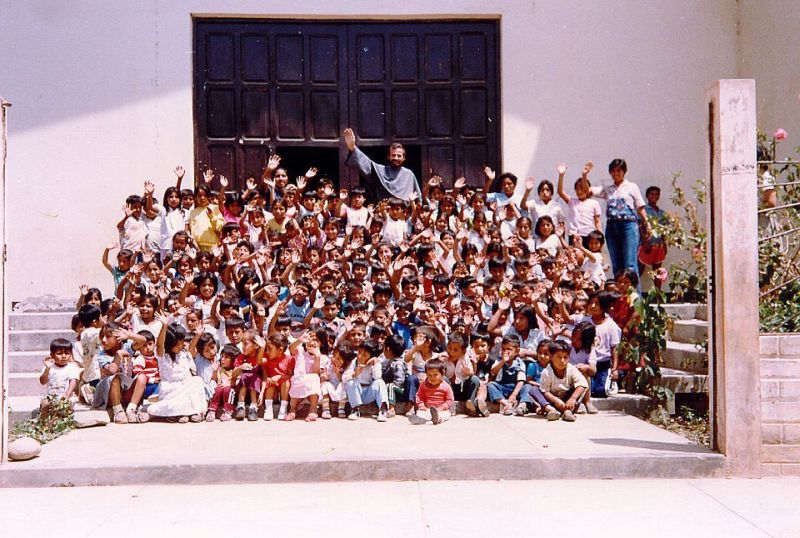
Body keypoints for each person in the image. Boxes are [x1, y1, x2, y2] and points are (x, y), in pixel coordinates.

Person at [588, 159, 650, 277]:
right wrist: (585, 174)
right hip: (612, 226)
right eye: (613, 171)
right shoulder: (607, 189)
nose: (616, 173)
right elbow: (588, 191)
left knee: (630, 264)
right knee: (617, 264)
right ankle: (619, 295)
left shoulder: (632, 187)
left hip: (628, 225)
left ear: (624, 171)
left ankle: (634, 295)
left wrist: (648, 224)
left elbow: (640, 207)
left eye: (619, 170)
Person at [147, 318, 208, 422]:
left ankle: (196, 413)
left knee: (197, 381)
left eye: (182, 343)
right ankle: (180, 413)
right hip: (170, 391)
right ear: (170, 344)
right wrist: (164, 326)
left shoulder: (184, 354)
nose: (181, 346)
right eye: (177, 344)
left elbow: (191, 348)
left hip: (185, 387)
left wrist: (198, 335)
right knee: (173, 404)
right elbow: (160, 345)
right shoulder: (163, 357)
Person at [343, 127, 421, 204]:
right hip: (384, 212)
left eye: (399, 156)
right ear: (388, 157)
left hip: (405, 214)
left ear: (404, 158)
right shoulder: (381, 170)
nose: (396, 158)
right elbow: (366, 163)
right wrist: (352, 147)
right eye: (393, 155)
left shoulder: (409, 175)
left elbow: (418, 199)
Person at [540, 340, 589, 422]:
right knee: (534, 390)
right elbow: (545, 391)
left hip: (568, 401)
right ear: (551, 357)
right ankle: (552, 410)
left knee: (581, 387)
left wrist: (573, 398)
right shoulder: (546, 372)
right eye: (558, 357)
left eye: (565, 357)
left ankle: (568, 412)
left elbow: (582, 384)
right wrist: (556, 400)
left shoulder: (571, 369)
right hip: (553, 401)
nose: (562, 361)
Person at [409, 358, 454, 425]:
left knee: (446, 415)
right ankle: (420, 419)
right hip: (426, 409)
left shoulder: (446, 386)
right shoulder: (423, 385)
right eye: (429, 375)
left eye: (435, 375)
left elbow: (449, 400)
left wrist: (442, 407)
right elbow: (419, 396)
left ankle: (438, 418)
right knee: (420, 413)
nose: (432, 378)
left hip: (441, 410)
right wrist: (422, 406)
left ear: (442, 374)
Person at [39, 338, 80, 405]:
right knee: (44, 404)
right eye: (59, 353)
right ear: (52, 355)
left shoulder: (72, 367)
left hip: (67, 397)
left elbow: (73, 382)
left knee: (66, 407)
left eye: (67, 353)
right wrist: (47, 369)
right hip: (51, 398)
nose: (63, 356)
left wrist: (67, 395)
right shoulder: (49, 367)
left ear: (71, 354)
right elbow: (42, 381)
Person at [638, 186, 668, 275]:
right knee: (640, 269)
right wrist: (645, 242)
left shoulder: (662, 213)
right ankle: (634, 288)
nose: (654, 196)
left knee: (658, 272)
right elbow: (640, 226)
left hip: (659, 245)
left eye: (657, 194)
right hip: (646, 245)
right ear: (647, 196)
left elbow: (664, 230)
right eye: (652, 194)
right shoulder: (644, 210)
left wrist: (665, 244)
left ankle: (658, 289)